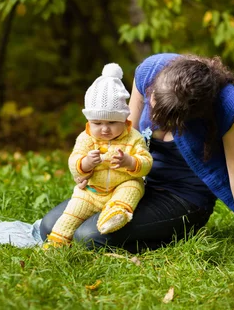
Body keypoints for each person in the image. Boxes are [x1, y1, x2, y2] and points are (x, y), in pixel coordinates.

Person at [40, 53, 234, 264]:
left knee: (88, 237)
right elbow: (122, 141)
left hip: (183, 197)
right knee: (49, 226)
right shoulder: (149, 73)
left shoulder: (224, 105)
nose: (151, 112)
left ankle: (172, 233)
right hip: (133, 183)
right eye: (152, 100)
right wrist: (91, 170)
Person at [44, 63, 153, 247]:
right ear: (89, 121)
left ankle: (117, 213)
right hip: (92, 190)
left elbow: (146, 161)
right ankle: (57, 242)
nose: (104, 129)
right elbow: (74, 162)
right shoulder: (86, 138)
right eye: (97, 122)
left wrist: (129, 161)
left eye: (112, 122)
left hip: (122, 184)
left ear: (124, 119)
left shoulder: (133, 137)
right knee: (72, 211)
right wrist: (85, 163)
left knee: (133, 187)